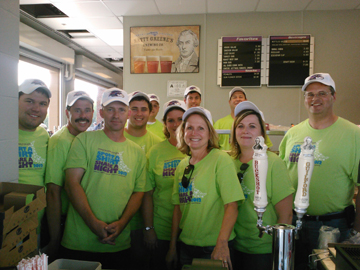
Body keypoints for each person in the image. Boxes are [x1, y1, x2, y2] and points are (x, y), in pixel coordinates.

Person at [279, 73, 360, 267]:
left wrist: (357, 232)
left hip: (333, 227)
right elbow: (280, 178)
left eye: (322, 93)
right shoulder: (292, 134)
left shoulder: (353, 134)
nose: (315, 99)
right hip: (293, 224)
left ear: (333, 96)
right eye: (310, 94)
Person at [61, 88, 147, 270]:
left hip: (119, 242)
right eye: (110, 109)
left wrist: (122, 224)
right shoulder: (84, 140)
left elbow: (139, 192)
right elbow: (71, 184)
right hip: (80, 241)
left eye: (122, 110)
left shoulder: (137, 152)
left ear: (129, 114)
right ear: (101, 113)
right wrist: (93, 223)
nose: (116, 115)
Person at [166, 107, 244, 270]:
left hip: (213, 248)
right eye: (190, 128)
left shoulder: (220, 160)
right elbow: (178, 209)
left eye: (201, 128)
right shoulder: (182, 165)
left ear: (210, 134)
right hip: (186, 246)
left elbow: (232, 205)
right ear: (183, 132)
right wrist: (173, 246)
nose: (194, 133)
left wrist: (221, 244)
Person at [230, 101, 294, 270]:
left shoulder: (273, 163)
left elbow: (286, 216)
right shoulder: (229, 162)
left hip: (263, 251)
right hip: (234, 246)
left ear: (261, 133)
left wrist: (278, 253)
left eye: (252, 126)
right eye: (240, 126)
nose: (245, 131)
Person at [44, 90, 94, 261]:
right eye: (77, 110)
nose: (83, 116)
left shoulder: (87, 138)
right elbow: (53, 191)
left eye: (87, 110)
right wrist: (55, 238)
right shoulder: (60, 141)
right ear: (67, 113)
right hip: (63, 221)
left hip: (81, 218)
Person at [143, 100, 187, 270]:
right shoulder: (155, 152)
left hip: (190, 229)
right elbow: (147, 193)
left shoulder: (196, 149)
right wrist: (149, 228)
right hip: (162, 228)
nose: (176, 124)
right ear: (165, 123)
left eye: (181, 119)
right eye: (171, 120)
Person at [124, 91, 162, 270]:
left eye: (144, 109)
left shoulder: (157, 143)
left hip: (144, 221)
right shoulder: (116, 137)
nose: (139, 114)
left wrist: (149, 227)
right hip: (115, 217)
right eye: (134, 109)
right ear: (127, 111)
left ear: (150, 112)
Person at [214, 87, 273, 151]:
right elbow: (213, 147)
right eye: (234, 97)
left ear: (246, 100)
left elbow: (266, 146)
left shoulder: (256, 122)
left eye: (240, 97)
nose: (238, 99)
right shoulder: (219, 123)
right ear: (229, 102)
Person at [18, 78, 51, 186]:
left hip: (39, 202)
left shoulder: (44, 135)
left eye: (42, 104)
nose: (36, 109)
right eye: (29, 101)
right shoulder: (4, 133)